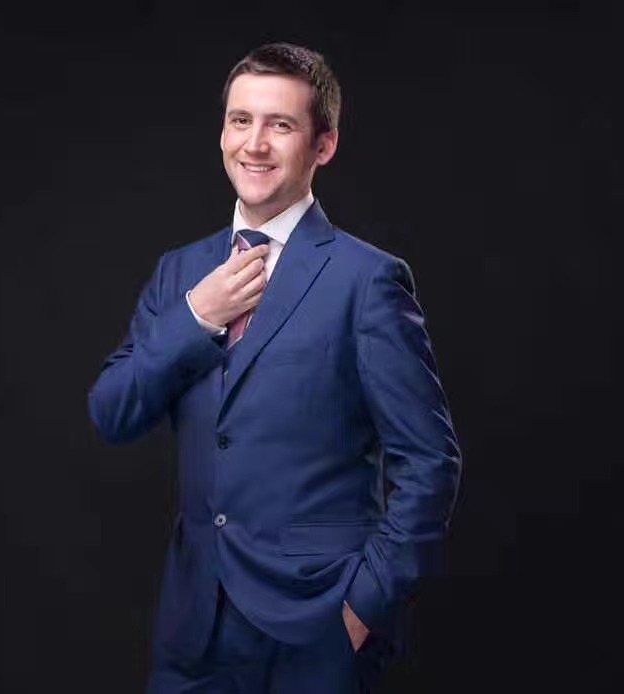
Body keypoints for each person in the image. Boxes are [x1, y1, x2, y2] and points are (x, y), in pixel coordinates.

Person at [88, 42, 461, 693]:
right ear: (222, 132)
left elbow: (430, 461)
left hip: (317, 628)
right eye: (241, 120)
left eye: (280, 125)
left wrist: (364, 606)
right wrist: (197, 317)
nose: (254, 144)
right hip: (194, 630)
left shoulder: (367, 280)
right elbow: (112, 411)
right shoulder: (180, 273)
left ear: (324, 145)